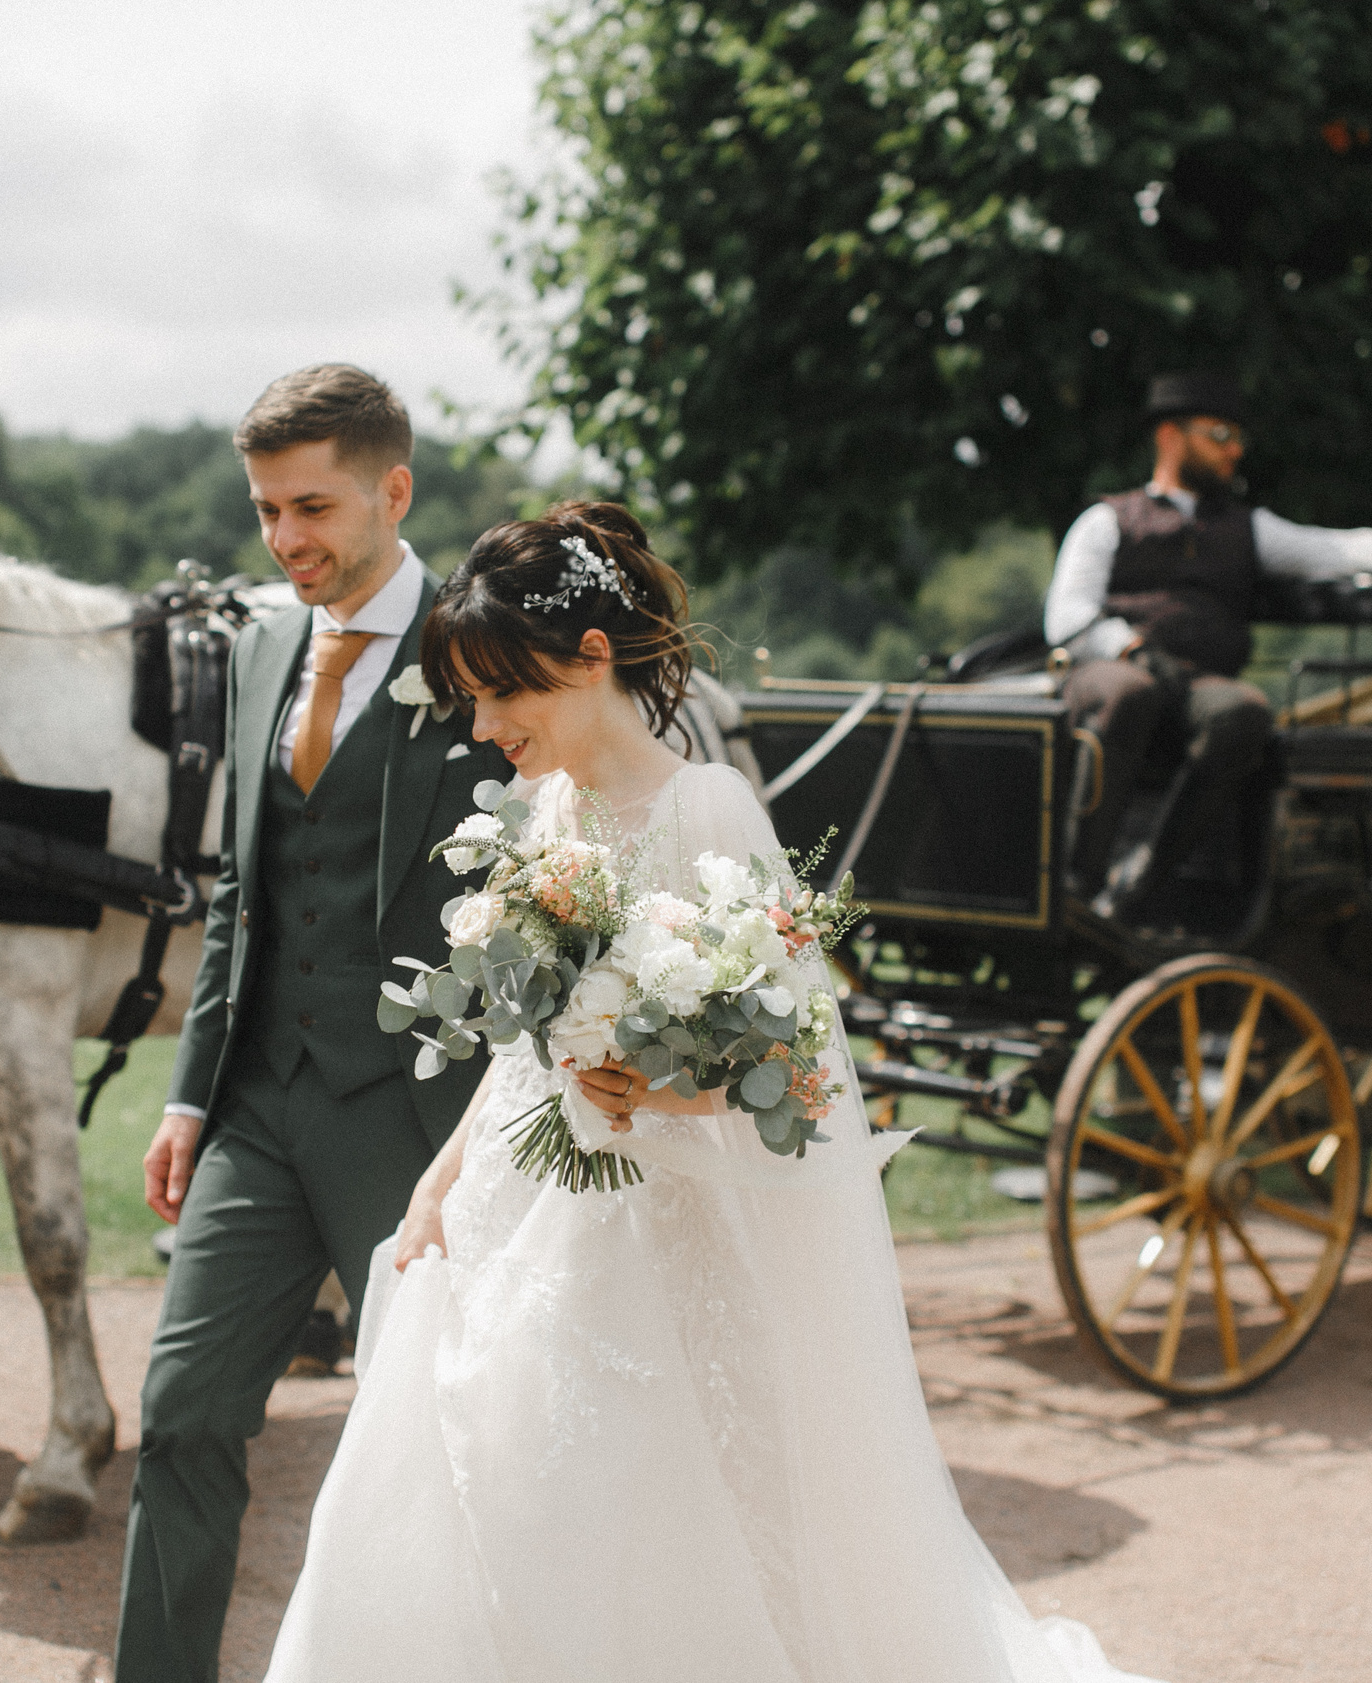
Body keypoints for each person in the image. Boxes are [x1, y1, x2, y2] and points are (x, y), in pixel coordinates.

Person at [257, 501, 1163, 1683]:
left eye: (502, 693)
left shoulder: (706, 810)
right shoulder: (541, 811)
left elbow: (793, 1066)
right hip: (514, 1200)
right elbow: (525, 1044)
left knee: (612, 1513)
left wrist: (662, 1091)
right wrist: (438, 1181)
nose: (481, 728)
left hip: (654, 1234)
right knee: (474, 1475)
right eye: (470, 698)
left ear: (591, 659)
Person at [115, 365, 514, 1683]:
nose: (286, 540)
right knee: (180, 1412)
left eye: (313, 506)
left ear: (394, 490)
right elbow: (244, 886)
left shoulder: (480, 652)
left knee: (443, 1440)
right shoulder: (257, 647)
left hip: (419, 1114)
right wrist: (188, 1093)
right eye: (267, 510)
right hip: (259, 1107)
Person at [1047, 371, 1372, 912]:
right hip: (1109, 670)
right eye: (1219, 436)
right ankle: (1076, 879)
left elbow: (1331, 551)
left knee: (1242, 711)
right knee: (1129, 693)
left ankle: (1144, 875)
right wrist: (1132, 650)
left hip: (1196, 682)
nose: (1234, 451)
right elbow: (1067, 617)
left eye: (1238, 439)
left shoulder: (1248, 529)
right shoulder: (1106, 521)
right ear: (1170, 436)